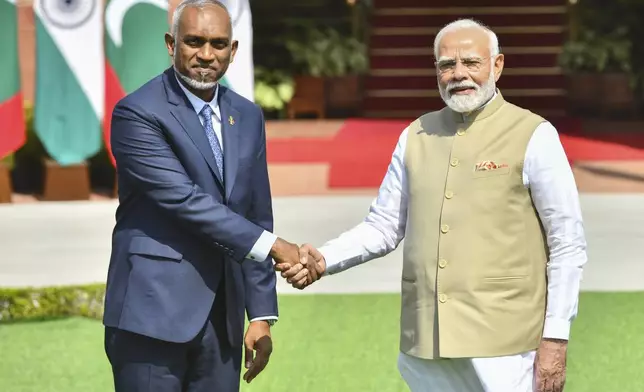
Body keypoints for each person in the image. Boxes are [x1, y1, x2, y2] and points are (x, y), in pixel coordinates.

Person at [276, 18, 587, 392]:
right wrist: (324, 259)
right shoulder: (415, 135)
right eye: (446, 65)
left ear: (497, 65)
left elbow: (567, 244)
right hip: (426, 339)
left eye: (471, 63)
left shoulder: (534, 134)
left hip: (506, 343)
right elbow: (384, 226)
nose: (458, 75)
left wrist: (556, 337)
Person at [102, 1, 316, 390]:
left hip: (223, 322)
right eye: (194, 41)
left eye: (218, 44)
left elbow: (255, 213)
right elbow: (184, 201)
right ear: (171, 44)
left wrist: (262, 314)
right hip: (151, 315)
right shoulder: (136, 113)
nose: (206, 55)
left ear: (233, 51)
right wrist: (275, 247)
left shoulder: (247, 115)